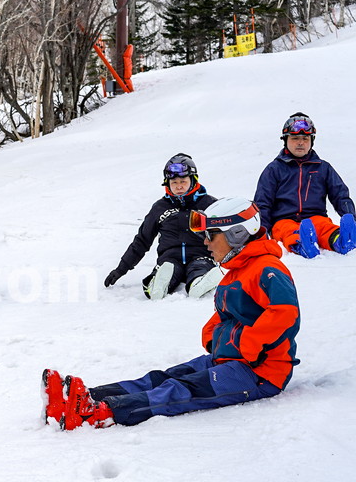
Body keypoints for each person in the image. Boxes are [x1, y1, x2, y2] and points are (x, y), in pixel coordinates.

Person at [45, 198, 299, 430]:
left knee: (180, 390)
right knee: (163, 377)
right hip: (230, 359)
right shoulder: (236, 272)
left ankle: (100, 412)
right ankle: (86, 396)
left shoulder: (267, 268)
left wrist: (248, 345)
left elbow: (285, 314)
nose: (206, 242)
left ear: (237, 234)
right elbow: (225, 313)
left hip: (260, 372)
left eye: (211, 235)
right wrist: (212, 336)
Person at [104, 153, 222, 299]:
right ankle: (158, 285)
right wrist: (120, 269)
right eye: (174, 183)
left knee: (199, 270)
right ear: (167, 184)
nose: (179, 186)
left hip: (201, 256)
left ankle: (202, 282)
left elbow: (226, 233)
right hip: (170, 259)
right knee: (167, 269)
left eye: (183, 181)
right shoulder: (160, 208)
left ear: (193, 180)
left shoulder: (208, 205)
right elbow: (142, 240)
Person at [253, 112, 356, 257]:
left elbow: (340, 195)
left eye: (305, 138)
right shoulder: (274, 169)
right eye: (295, 138)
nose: (300, 142)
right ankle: (302, 245)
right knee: (288, 231)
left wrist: (350, 216)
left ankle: (341, 241)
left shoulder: (323, 168)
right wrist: (262, 231)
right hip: (283, 220)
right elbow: (263, 202)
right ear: (286, 140)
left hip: (315, 217)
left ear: (311, 141)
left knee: (325, 228)